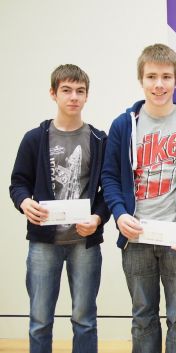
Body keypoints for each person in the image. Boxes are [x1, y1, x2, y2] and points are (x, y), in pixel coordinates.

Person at [101, 43, 176, 353]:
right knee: (142, 317)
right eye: (151, 76)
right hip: (135, 238)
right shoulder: (124, 125)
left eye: (166, 76)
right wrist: (120, 213)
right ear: (141, 80)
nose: (159, 84)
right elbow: (109, 176)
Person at [9, 64, 110, 353]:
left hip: (85, 244)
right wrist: (24, 202)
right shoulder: (35, 138)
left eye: (80, 91)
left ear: (87, 96)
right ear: (53, 93)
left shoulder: (98, 140)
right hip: (44, 242)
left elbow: (107, 191)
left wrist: (98, 218)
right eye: (66, 90)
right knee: (40, 320)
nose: (73, 97)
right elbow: (18, 183)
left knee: (85, 319)